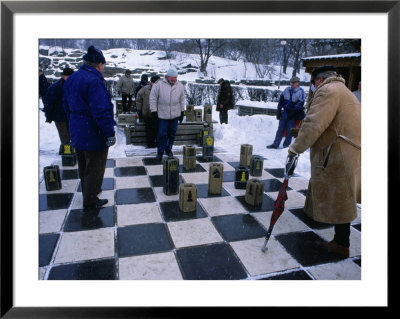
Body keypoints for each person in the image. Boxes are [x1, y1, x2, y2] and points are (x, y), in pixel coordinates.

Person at [288, 65, 361, 258]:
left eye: (313, 83)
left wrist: (295, 149)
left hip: (338, 150)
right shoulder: (344, 90)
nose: (313, 87)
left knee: (341, 197)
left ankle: (341, 244)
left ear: (319, 80)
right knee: (343, 195)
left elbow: (313, 124)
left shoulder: (328, 91)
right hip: (349, 149)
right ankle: (331, 229)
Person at [63, 45, 116, 212]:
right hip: (93, 132)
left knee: (84, 166)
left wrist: (75, 122)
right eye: (103, 65)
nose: (103, 68)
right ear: (99, 64)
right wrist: (109, 133)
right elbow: (101, 111)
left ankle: (88, 193)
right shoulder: (94, 81)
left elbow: (66, 105)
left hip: (78, 130)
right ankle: (91, 200)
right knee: (94, 167)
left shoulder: (73, 78)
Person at [150, 66, 185, 161]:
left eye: (175, 78)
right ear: (167, 76)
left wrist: (182, 111)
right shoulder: (159, 85)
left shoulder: (180, 86)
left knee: (172, 134)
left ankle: (169, 149)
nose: (174, 80)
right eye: (172, 78)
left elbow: (182, 100)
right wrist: (154, 111)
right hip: (162, 115)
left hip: (175, 115)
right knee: (161, 134)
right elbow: (153, 98)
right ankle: (160, 151)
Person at [267, 76, 305, 149]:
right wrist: (278, 110)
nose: (292, 84)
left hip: (293, 114)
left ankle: (286, 146)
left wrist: (293, 112)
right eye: (291, 82)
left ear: (298, 83)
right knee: (280, 129)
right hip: (285, 112)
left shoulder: (301, 91)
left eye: (294, 83)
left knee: (289, 131)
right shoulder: (286, 90)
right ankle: (275, 144)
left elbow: (301, 103)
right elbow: (281, 100)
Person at [43, 67, 74, 145]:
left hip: (71, 116)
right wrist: (49, 116)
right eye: (69, 76)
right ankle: (66, 154)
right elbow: (49, 104)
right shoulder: (54, 88)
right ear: (63, 76)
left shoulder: (75, 86)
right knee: (65, 137)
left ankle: (70, 152)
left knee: (72, 136)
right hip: (60, 117)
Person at [136, 75, 160, 148]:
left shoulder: (161, 89)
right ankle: (150, 143)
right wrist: (139, 110)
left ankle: (157, 142)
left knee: (157, 129)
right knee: (149, 130)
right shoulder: (144, 89)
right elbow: (138, 99)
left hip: (158, 114)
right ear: (151, 82)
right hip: (147, 113)